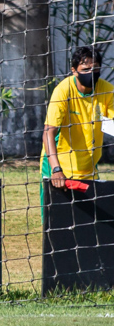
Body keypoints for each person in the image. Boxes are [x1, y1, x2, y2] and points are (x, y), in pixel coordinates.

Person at [42, 46, 113, 206]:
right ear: (74, 70)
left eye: (95, 69)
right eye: (86, 69)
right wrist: (56, 170)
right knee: (55, 224)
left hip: (88, 167)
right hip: (58, 167)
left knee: (89, 225)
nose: (91, 73)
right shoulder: (63, 90)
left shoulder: (107, 90)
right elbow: (48, 132)